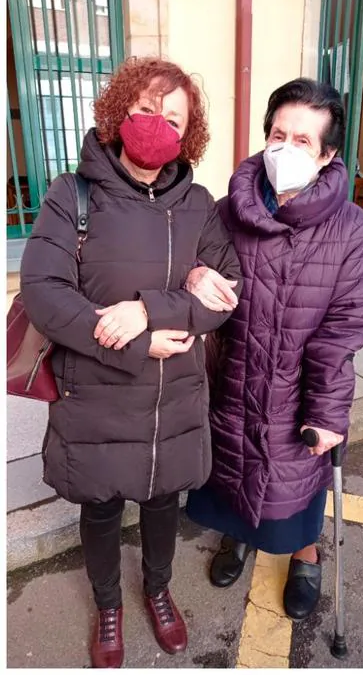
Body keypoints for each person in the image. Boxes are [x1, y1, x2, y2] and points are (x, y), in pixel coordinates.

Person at [19, 57, 242, 667]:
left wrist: (152, 311)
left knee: (164, 499)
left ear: (187, 134)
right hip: (97, 389)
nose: (156, 124)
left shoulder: (200, 203)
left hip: (174, 395)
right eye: (146, 109)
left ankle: (158, 588)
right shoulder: (73, 194)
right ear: (121, 113)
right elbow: (43, 290)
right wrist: (135, 338)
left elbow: (227, 289)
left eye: (173, 117)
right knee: (99, 504)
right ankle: (109, 602)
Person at [182, 78, 363, 621]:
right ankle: (237, 537)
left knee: (299, 479)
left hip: (300, 389)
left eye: (303, 141)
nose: (286, 149)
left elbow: (348, 323)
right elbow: (188, 271)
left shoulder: (352, 227)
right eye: (278, 135)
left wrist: (328, 410)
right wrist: (193, 273)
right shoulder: (225, 212)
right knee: (230, 468)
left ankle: (305, 554)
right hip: (233, 377)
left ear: (327, 155)